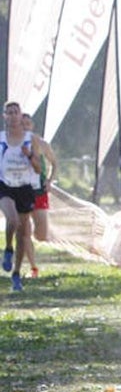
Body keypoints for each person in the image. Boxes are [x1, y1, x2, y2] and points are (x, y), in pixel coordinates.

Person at [0, 101, 41, 291]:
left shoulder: (30, 139)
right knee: (12, 220)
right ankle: (7, 249)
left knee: (23, 234)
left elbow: (38, 169)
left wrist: (30, 156)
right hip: (5, 186)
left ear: (21, 115)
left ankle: (16, 274)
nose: (13, 115)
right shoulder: (1, 138)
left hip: (25, 187)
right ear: (4, 116)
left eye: (16, 112)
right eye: (9, 113)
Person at [18, 113, 56, 278]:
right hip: (20, 191)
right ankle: (33, 268)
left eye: (28, 124)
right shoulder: (13, 145)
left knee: (41, 235)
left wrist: (49, 181)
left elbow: (54, 163)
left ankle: (32, 235)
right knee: (24, 231)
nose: (25, 127)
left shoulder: (41, 143)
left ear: (32, 125)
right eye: (22, 124)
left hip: (39, 191)